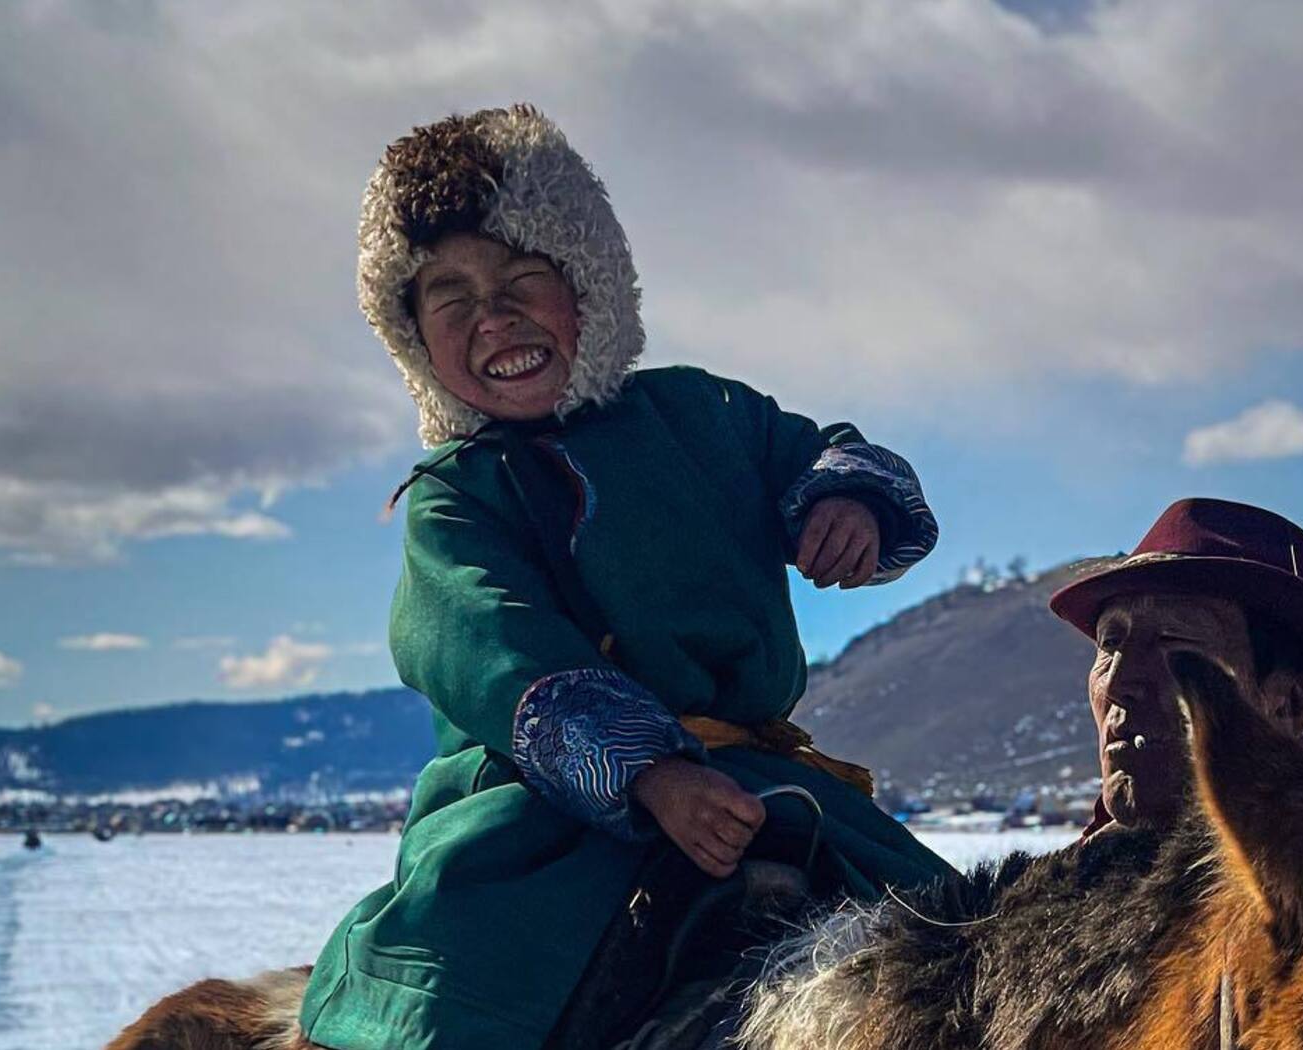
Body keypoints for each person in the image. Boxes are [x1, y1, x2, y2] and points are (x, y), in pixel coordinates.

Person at [298, 105, 958, 1049]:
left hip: (760, 778)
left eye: (524, 276)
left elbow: (822, 453)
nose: (495, 317)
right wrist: (646, 772)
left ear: (591, 286)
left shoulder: (702, 413)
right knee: (467, 1005)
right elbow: (492, 647)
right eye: (451, 299)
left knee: (959, 958)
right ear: (415, 339)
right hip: (537, 814)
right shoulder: (456, 497)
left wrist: (846, 504)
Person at [1047, 498, 1303, 835]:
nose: (1117, 683)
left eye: (1171, 640)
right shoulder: (1053, 884)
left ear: (1291, 702)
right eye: (1110, 643)